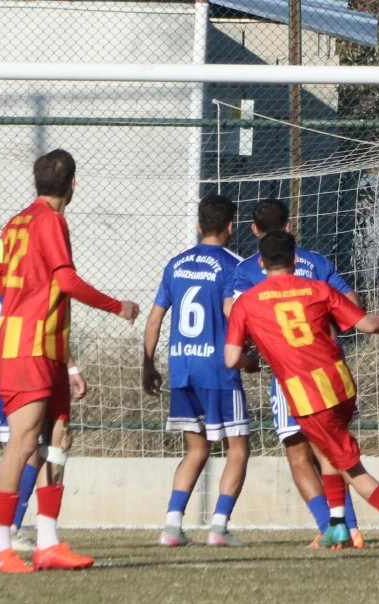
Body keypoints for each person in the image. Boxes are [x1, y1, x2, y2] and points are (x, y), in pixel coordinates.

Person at [0, 149, 140, 573]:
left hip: (47, 346)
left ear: (37, 182)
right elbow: (65, 279)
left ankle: (48, 542)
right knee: (24, 441)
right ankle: (0, 547)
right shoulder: (50, 220)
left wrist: (29, 289)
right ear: (72, 185)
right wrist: (116, 306)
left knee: (60, 437)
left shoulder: (16, 222)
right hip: (24, 347)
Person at [224, 231, 379, 554]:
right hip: (340, 384)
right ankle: (337, 526)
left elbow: (230, 359)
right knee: (327, 452)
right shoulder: (318, 289)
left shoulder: (248, 303)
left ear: (262, 263)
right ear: (295, 259)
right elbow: (368, 325)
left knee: (351, 469)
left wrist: (250, 361)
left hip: (308, 395)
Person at [227, 198, 364, 547]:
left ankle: (329, 529)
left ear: (254, 232)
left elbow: (234, 312)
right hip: (331, 372)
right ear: (289, 227)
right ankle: (352, 528)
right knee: (333, 451)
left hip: (288, 377)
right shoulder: (316, 262)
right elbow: (355, 305)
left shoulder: (246, 270)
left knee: (298, 453)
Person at [142, 194, 254, 547]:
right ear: (231, 227)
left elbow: (155, 317)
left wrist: (147, 363)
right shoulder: (234, 266)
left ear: (198, 225)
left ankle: (172, 528)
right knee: (238, 449)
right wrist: (250, 354)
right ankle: (219, 529)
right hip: (219, 370)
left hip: (182, 368)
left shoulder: (175, 264)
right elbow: (232, 313)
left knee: (196, 450)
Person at [0, 248, 42, 553]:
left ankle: (6, 526)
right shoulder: (26, 280)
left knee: (14, 450)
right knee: (32, 450)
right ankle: (9, 526)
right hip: (14, 370)